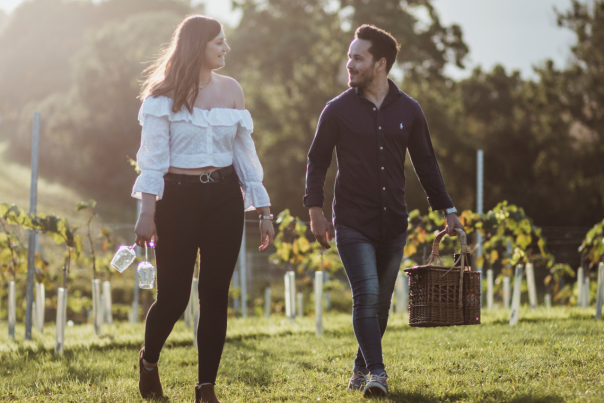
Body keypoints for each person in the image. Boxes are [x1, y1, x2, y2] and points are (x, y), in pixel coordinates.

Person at [304, 24, 463, 397]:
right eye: (349, 57)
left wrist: (448, 208)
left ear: (380, 64)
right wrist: (314, 209)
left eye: (357, 58)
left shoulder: (409, 110)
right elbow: (317, 161)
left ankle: (360, 369)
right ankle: (378, 373)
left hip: (394, 222)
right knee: (367, 294)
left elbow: (426, 162)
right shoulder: (337, 110)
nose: (349, 64)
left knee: (382, 304)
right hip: (353, 221)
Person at [132, 15, 274, 403]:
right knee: (174, 297)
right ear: (198, 47)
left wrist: (263, 209)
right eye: (219, 43)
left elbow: (245, 155)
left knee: (215, 294)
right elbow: (154, 160)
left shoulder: (231, 91)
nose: (226, 49)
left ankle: (205, 387)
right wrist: (146, 211)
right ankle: (149, 362)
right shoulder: (161, 97)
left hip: (225, 199)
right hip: (176, 202)